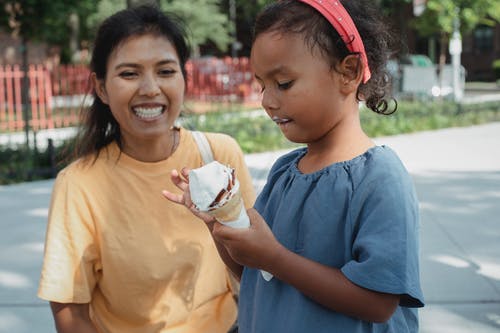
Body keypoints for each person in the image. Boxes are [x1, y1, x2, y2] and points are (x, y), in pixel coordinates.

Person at [164, 0, 424, 332]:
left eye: (283, 83)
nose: (267, 101)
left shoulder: (380, 177)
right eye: (262, 85)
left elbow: (379, 303)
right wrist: (218, 223)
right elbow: (256, 272)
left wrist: (275, 258)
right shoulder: (285, 172)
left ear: (349, 72)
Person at [37, 5, 255, 333]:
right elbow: (71, 313)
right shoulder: (79, 184)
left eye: (166, 71)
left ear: (185, 77)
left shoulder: (219, 154)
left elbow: (253, 270)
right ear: (101, 88)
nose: (151, 88)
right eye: (129, 73)